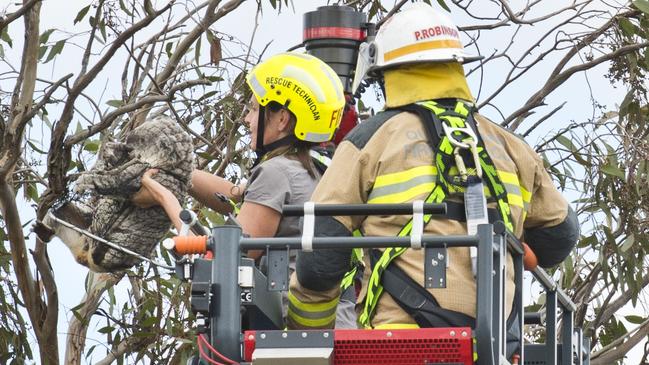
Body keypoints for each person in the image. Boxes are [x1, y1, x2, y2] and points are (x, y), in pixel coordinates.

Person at [287, 2, 579, 339]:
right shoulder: (510, 146)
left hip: (400, 341)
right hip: (498, 340)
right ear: (454, 68)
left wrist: (304, 340)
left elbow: (320, 260)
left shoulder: (371, 140)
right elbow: (559, 237)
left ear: (387, 74)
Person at [133, 52, 344, 267]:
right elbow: (238, 196)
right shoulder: (316, 167)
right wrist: (175, 172)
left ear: (282, 119)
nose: (246, 119)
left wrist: (162, 195)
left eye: (253, 109)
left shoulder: (277, 173)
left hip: (283, 299)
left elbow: (223, 264)